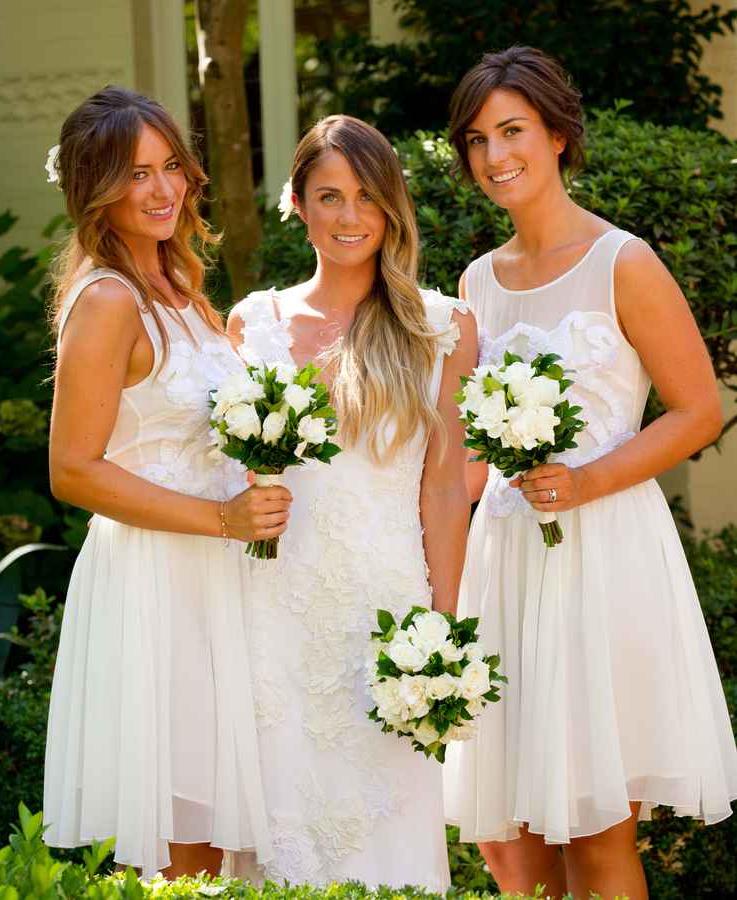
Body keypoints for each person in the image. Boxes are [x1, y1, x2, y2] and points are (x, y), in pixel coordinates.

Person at [443, 46, 737, 900]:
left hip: (601, 557)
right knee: (515, 847)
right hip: (506, 564)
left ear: (559, 135)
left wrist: (586, 482)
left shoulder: (624, 262)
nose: (496, 157)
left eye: (513, 131)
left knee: (599, 833)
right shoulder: (476, 283)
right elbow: (463, 456)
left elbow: (696, 411)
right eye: (476, 140)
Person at [43, 85, 291, 879]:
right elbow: (72, 469)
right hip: (158, 584)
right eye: (134, 174)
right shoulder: (111, 300)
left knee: (223, 832)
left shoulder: (180, 290)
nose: (161, 190)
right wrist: (220, 519)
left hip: (215, 578)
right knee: (186, 834)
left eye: (170, 167)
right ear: (94, 190)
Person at [225, 114, 476, 889]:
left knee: (385, 835)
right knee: (280, 826)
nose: (349, 217)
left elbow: (442, 487)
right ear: (296, 204)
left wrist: (443, 623)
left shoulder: (441, 328)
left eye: (367, 197)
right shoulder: (253, 323)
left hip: (385, 612)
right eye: (329, 196)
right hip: (270, 608)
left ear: (392, 206)